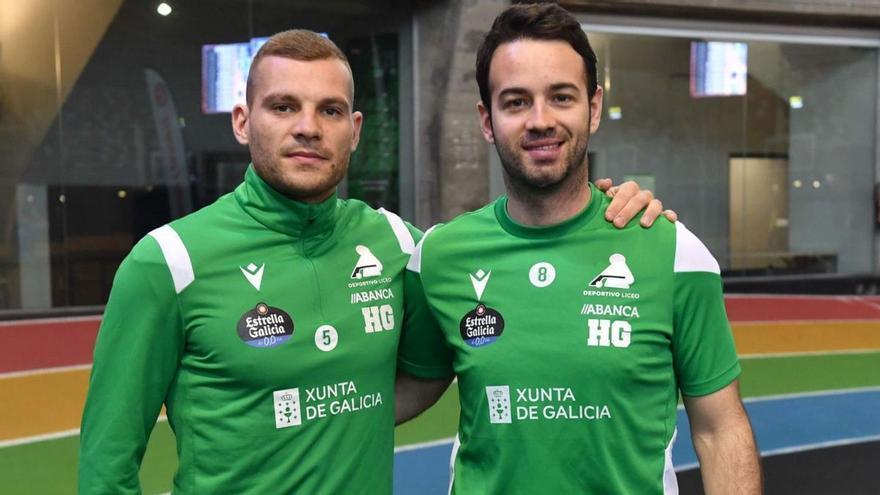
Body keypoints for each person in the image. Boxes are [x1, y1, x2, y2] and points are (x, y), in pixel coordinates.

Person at [78, 29, 667, 494]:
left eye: (330, 111)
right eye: (283, 107)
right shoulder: (167, 262)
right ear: (242, 121)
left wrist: (600, 211)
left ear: (355, 130)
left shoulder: (398, 245)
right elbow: (107, 467)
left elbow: (489, 282)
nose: (308, 128)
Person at [396, 4, 762, 494]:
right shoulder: (439, 257)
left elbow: (721, 430)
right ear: (487, 120)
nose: (540, 120)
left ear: (592, 108)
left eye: (561, 97)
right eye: (516, 102)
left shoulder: (675, 254)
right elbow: (398, 394)